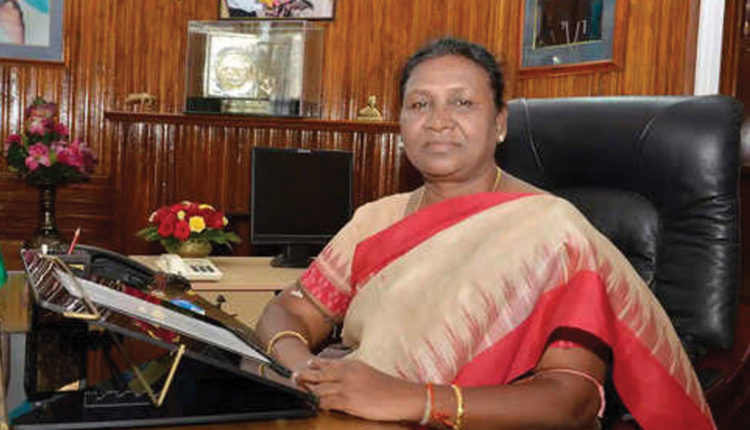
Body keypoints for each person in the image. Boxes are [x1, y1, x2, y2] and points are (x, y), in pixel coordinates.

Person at [255, 37, 715, 430]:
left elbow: (572, 401)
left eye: (463, 102)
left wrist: (415, 400)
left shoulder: (554, 232)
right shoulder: (375, 220)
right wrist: (303, 369)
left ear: (499, 124)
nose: (438, 120)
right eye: (419, 104)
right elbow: (289, 310)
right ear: (401, 125)